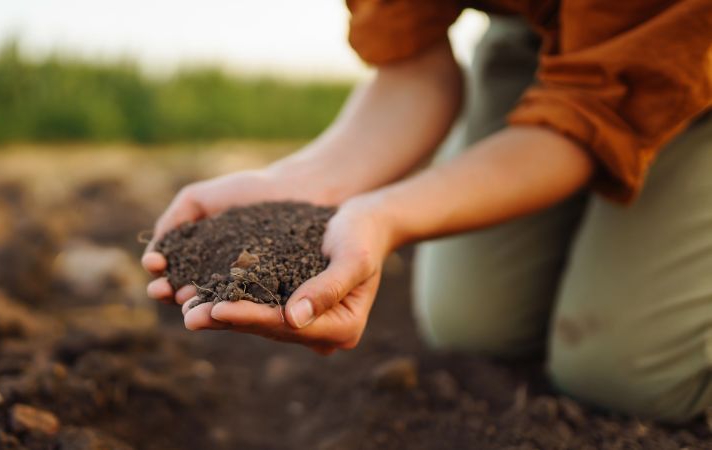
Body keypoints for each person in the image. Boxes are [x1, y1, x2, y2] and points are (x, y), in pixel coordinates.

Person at [142, 1, 712, 422]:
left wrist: (387, 216)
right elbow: (412, 69)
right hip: (545, 36)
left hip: (687, 43)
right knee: (472, 324)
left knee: (627, 375)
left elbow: (587, 120)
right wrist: (296, 184)